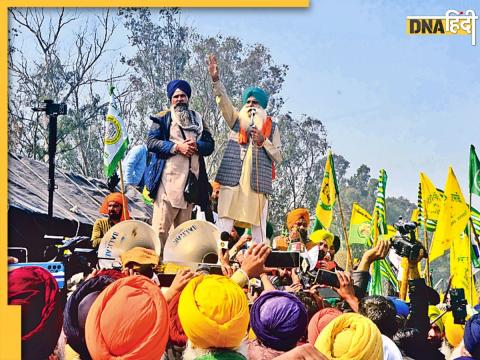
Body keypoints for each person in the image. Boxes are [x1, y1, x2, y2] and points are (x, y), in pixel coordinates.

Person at [207, 54, 282, 244]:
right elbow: (223, 102)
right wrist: (216, 80)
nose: (250, 106)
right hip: (232, 179)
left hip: (258, 183)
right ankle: (220, 255)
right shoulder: (236, 120)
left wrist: (264, 141)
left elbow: (279, 156)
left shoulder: (272, 128)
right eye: (247, 103)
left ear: (262, 107)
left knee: (259, 225)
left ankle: (257, 258)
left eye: (255, 103)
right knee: (224, 218)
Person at [145, 79, 214, 253]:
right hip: (167, 184)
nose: (180, 99)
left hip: (190, 186)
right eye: (176, 96)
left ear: (188, 98)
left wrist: (197, 146)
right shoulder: (162, 118)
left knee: (183, 235)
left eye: (183, 96)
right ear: (170, 99)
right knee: (160, 230)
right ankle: (156, 269)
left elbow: (210, 145)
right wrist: (177, 147)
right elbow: (151, 143)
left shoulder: (198, 119)